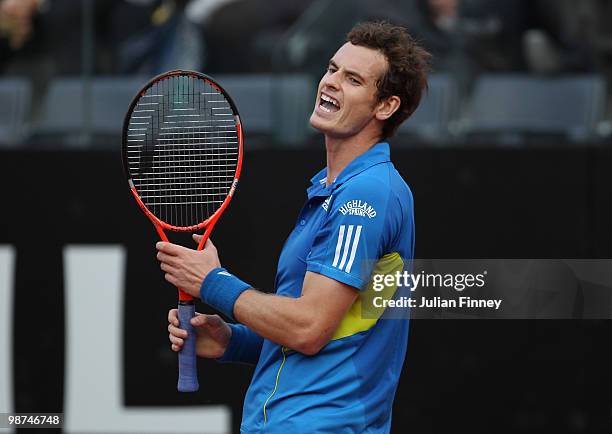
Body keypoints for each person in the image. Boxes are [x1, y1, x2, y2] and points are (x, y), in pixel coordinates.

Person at [157, 20, 430, 433]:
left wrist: (212, 281)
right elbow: (332, 333)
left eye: (352, 79)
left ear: (385, 106)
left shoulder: (368, 193)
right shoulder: (332, 188)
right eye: (332, 69)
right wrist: (235, 340)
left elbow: (308, 328)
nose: (331, 83)